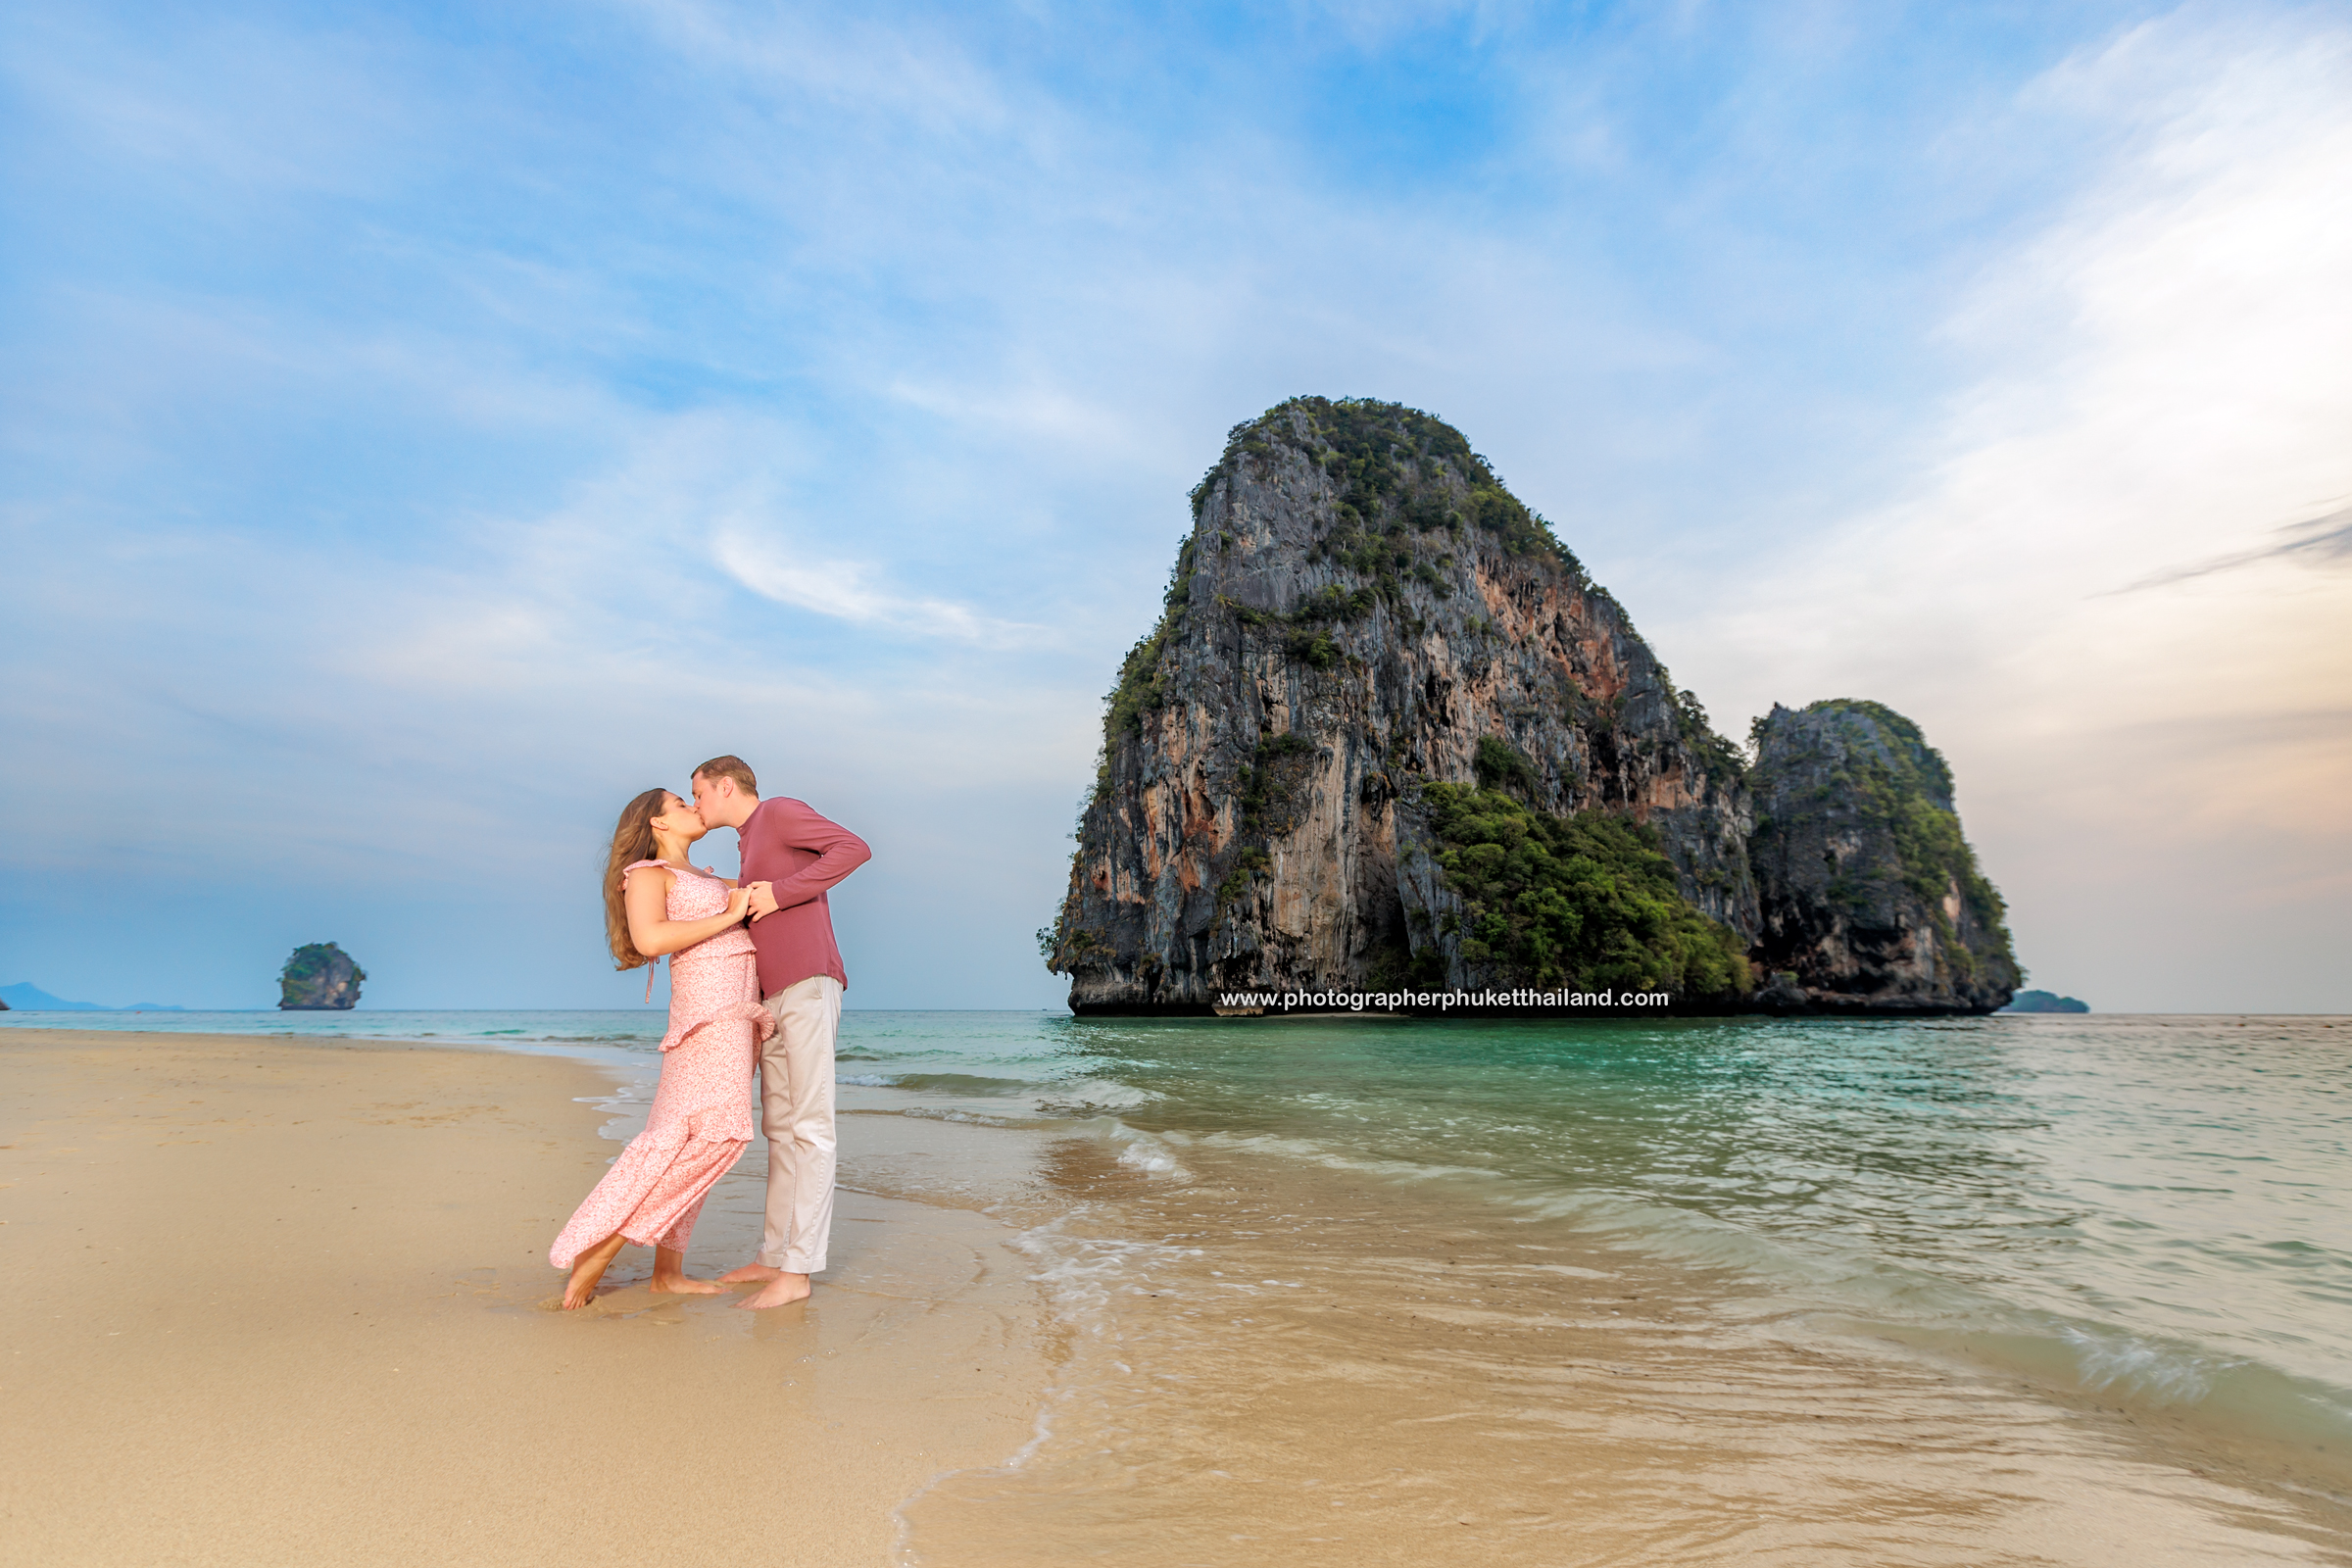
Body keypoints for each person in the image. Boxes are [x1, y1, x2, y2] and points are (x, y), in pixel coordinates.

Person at [549, 789, 776, 1310]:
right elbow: (650, 940)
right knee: (719, 1136)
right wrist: (730, 914)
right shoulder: (649, 875)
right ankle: (601, 1250)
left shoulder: (714, 878)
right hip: (707, 1019)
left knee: (681, 1138)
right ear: (657, 821)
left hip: (739, 1017)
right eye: (682, 802)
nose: (695, 808)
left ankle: (667, 1273)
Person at [689, 755, 871, 1310]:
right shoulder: (746, 843)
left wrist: (781, 893)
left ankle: (799, 1272)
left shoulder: (780, 812)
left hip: (810, 982)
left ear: (725, 786)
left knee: (811, 1128)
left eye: (698, 793)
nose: (695, 804)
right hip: (771, 997)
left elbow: (854, 848)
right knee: (780, 1128)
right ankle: (773, 1256)